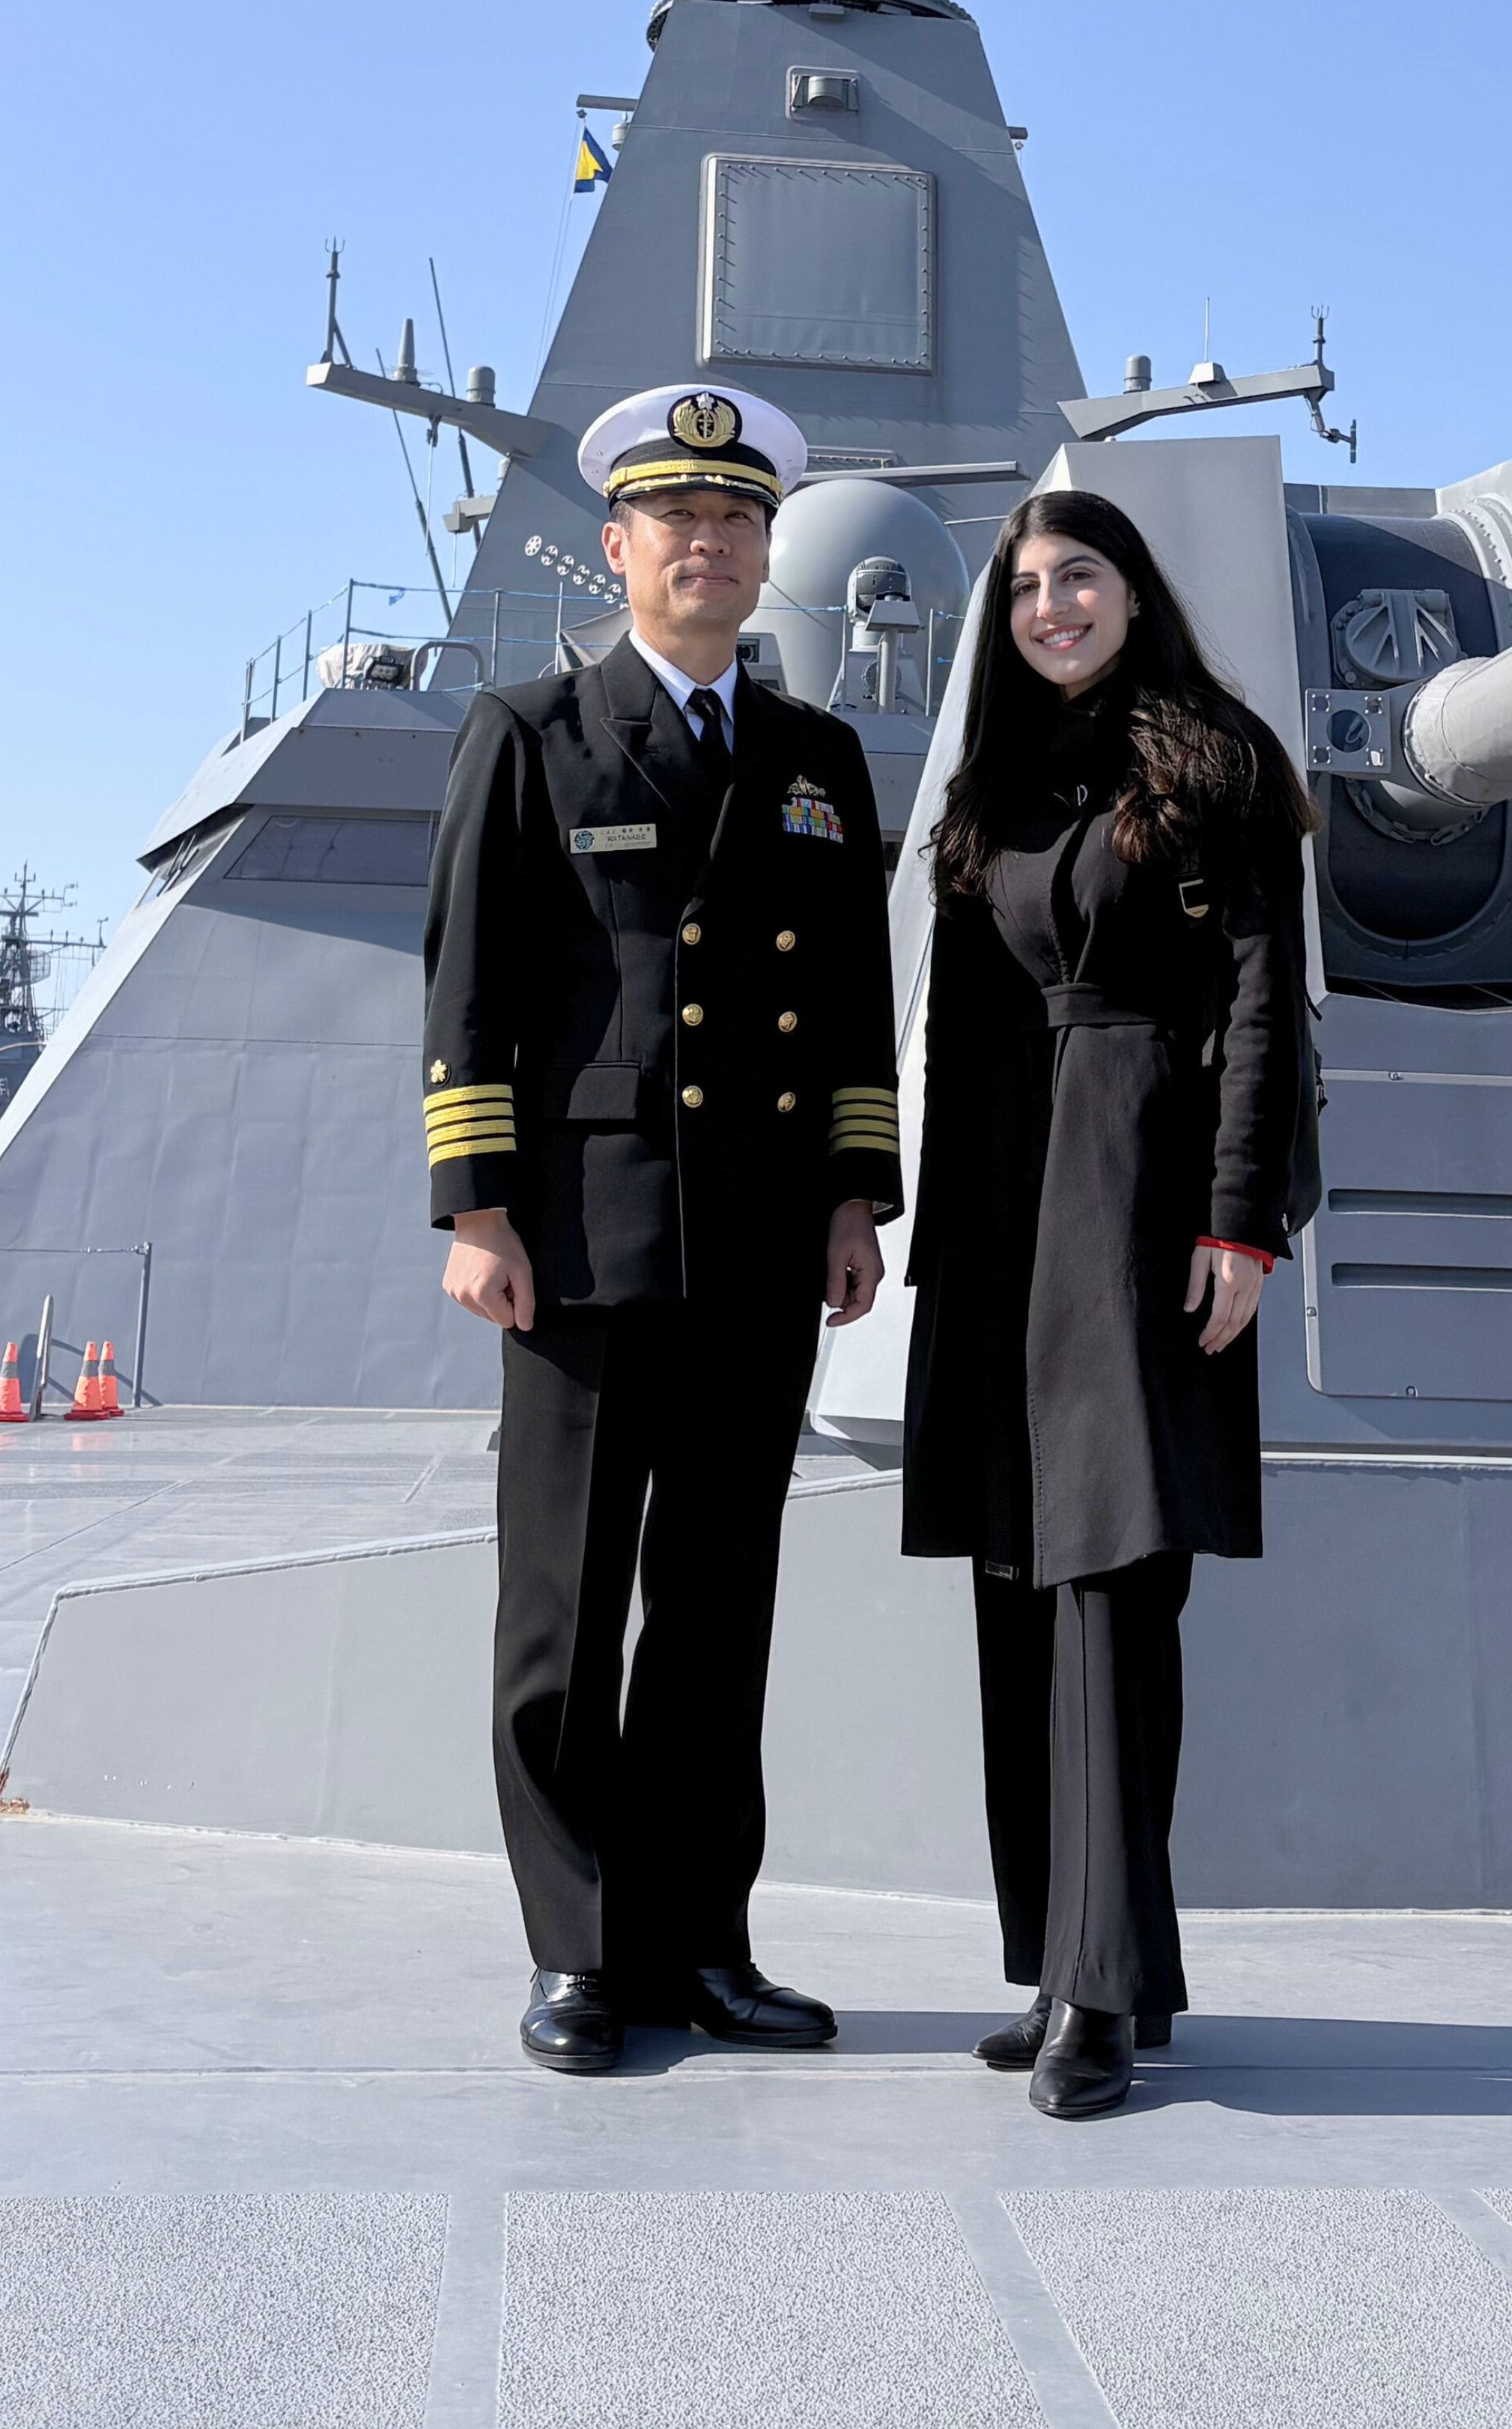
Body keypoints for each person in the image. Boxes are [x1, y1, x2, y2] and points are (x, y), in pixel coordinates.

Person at [422, 380, 906, 2075]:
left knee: (716, 1618)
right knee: (560, 1611)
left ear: (768, 551)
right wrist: (475, 1207)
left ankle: (702, 1946)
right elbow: (470, 986)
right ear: (618, 545)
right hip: (579, 1239)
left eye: (739, 522)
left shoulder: (817, 761)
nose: (711, 546)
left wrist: (856, 1196)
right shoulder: (531, 734)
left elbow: (856, 999)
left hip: (764, 1245)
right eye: (678, 522)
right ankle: (576, 1954)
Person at [897, 487, 1314, 2120]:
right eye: (1024, 591)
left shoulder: (1219, 767)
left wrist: (1240, 1225)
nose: (1052, 608)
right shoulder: (991, 789)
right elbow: (958, 1020)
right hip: (1004, 1213)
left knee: (1114, 1595)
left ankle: (1106, 1992)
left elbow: (1269, 1010)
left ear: (1136, 593)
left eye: (1080, 578)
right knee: (1019, 1588)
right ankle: (1063, 1960)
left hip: (1145, 1198)